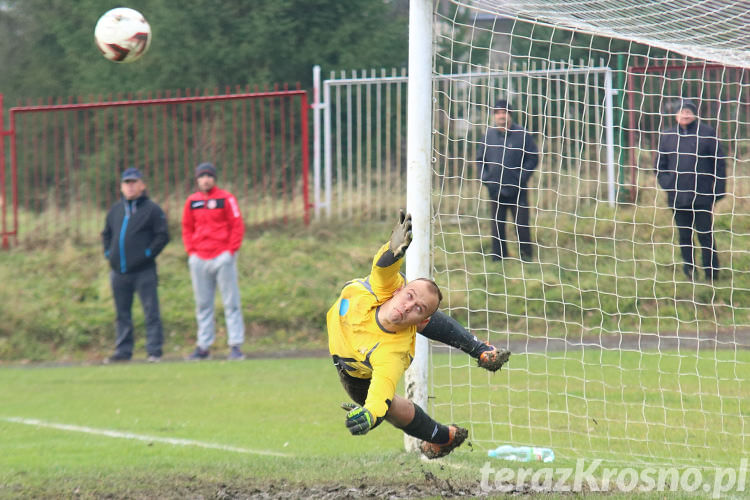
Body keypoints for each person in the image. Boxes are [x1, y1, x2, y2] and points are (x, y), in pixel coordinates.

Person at [328, 210, 510, 459]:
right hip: (348, 333)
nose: (407, 306)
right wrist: (392, 250)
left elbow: (381, 390)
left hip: (355, 371)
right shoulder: (384, 289)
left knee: (388, 409)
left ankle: (444, 436)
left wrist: (370, 415)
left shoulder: (392, 354)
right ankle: (479, 349)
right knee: (415, 304)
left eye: (418, 310)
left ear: (422, 322)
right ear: (398, 289)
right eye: (409, 296)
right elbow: (383, 268)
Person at [101, 167, 169, 363]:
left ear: (142, 185)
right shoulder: (115, 210)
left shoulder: (152, 210)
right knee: (122, 313)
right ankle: (123, 351)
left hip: (143, 270)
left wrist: (147, 254)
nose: (130, 187)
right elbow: (106, 233)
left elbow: (162, 235)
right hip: (118, 272)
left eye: (133, 183)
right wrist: (108, 254)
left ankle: (154, 351)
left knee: (150, 311)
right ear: (121, 187)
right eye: (126, 183)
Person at [655, 98, 726, 281]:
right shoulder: (667, 135)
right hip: (677, 197)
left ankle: (712, 273)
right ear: (676, 114)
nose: (685, 114)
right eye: (681, 111)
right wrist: (668, 185)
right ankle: (689, 271)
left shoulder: (707, 133)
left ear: (694, 114)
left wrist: (718, 190)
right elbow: (659, 166)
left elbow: (719, 163)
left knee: (705, 235)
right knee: (684, 234)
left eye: (688, 111)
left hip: (702, 195)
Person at [182, 162, 246, 360]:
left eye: (209, 176)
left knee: (231, 301)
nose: (205, 179)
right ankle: (203, 346)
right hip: (199, 257)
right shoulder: (192, 201)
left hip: (222, 256)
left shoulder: (226, 198)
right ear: (197, 179)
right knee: (203, 304)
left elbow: (237, 224)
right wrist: (191, 251)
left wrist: (230, 250)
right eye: (202, 176)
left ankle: (235, 345)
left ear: (214, 178)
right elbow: (186, 227)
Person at [476, 99, 539, 262]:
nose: (501, 116)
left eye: (504, 112)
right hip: (495, 189)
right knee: (497, 226)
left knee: (522, 225)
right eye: (497, 113)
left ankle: (526, 258)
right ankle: (498, 258)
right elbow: (480, 159)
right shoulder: (488, 135)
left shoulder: (522, 134)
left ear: (509, 114)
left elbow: (533, 158)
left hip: (518, 191)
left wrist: (521, 177)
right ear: (494, 116)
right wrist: (486, 179)